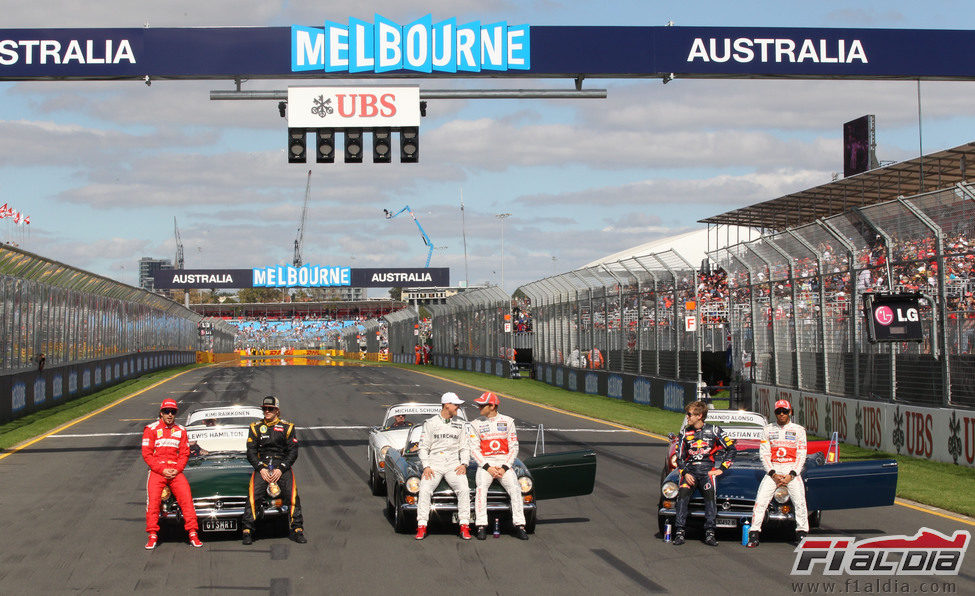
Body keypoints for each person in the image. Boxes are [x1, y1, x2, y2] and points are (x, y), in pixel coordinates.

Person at [242, 395, 306, 545]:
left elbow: (293, 451)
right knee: (253, 494)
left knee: (292, 495)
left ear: (277, 410)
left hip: (281, 465)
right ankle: (247, 530)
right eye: (264, 409)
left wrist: (281, 468)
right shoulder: (255, 427)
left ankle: (297, 529)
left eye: (270, 409)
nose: (267, 411)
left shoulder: (287, 427)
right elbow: (250, 451)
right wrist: (260, 468)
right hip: (262, 464)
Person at [672, 400, 736, 547]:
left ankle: (710, 533)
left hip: (708, 471)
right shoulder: (684, 432)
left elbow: (731, 449)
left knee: (710, 500)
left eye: (689, 414)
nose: (687, 417)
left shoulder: (714, 430)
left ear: (699, 415)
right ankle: (680, 532)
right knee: (681, 496)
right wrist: (685, 472)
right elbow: (679, 457)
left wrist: (722, 469)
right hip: (691, 471)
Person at [746, 399, 809, 548]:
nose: (781, 414)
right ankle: (754, 534)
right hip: (773, 470)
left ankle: (801, 534)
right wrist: (773, 473)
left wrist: (792, 474)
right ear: (775, 413)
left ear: (790, 412)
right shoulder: (768, 429)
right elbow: (764, 454)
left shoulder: (799, 430)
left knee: (799, 503)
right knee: (760, 502)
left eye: (784, 411)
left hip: (791, 470)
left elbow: (802, 454)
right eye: (778, 411)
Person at [142, 398, 203, 550]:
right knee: (153, 503)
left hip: (176, 471)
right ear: (161, 413)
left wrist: (178, 468)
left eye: (173, 412)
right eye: (166, 411)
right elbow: (147, 454)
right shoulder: (150, 429)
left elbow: (184, 453)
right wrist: (161, 470)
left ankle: (193, 533)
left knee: (187, 500)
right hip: (158, 471)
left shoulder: (181, 430)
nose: (170, 414)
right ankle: (152, 535)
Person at [469, 392, 528, 540]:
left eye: (482, 405)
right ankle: (481, 525)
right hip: (485, 464)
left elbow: (514, 447)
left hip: (504, 464)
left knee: (515, 488)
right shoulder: (475, 424)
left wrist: (504, 467)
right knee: (481, 488)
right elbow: (473, 449)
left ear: (492, 406)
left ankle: (520, 525)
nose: (479, 407)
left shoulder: (508, 421)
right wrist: (487, 466)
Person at [415, 392, 472, 540]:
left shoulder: (460, 423)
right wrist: (426, 466)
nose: (458, 407)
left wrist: (464, 463)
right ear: (447, 405)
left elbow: (465, 447)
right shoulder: (430, 423)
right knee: (425, 489)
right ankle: (422, 526)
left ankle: (464, 526)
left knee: (464, 489)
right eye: (455, 404)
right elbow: (423, 447)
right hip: (434, 463)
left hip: (453, 463)